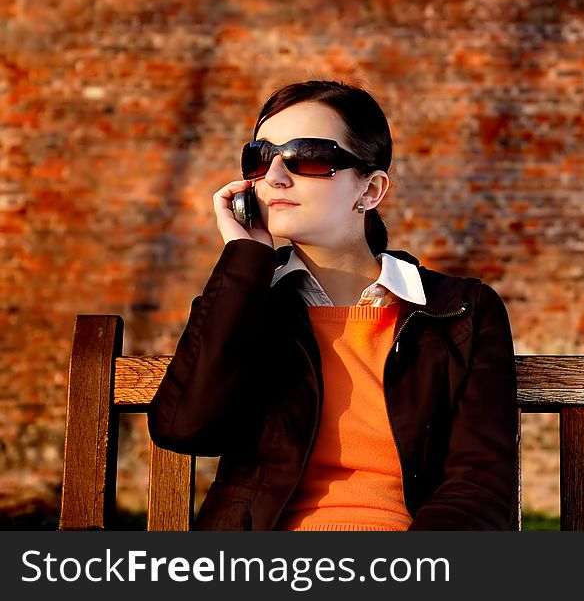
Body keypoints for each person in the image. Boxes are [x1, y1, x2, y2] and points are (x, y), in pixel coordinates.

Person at [147, 79, 518, 530]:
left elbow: (478, 486)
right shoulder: (245, 302)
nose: (276, 176)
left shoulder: (460, 312)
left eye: (309, 157)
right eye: (261, 157)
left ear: (371, 190)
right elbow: (186, 428)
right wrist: (245, 257)